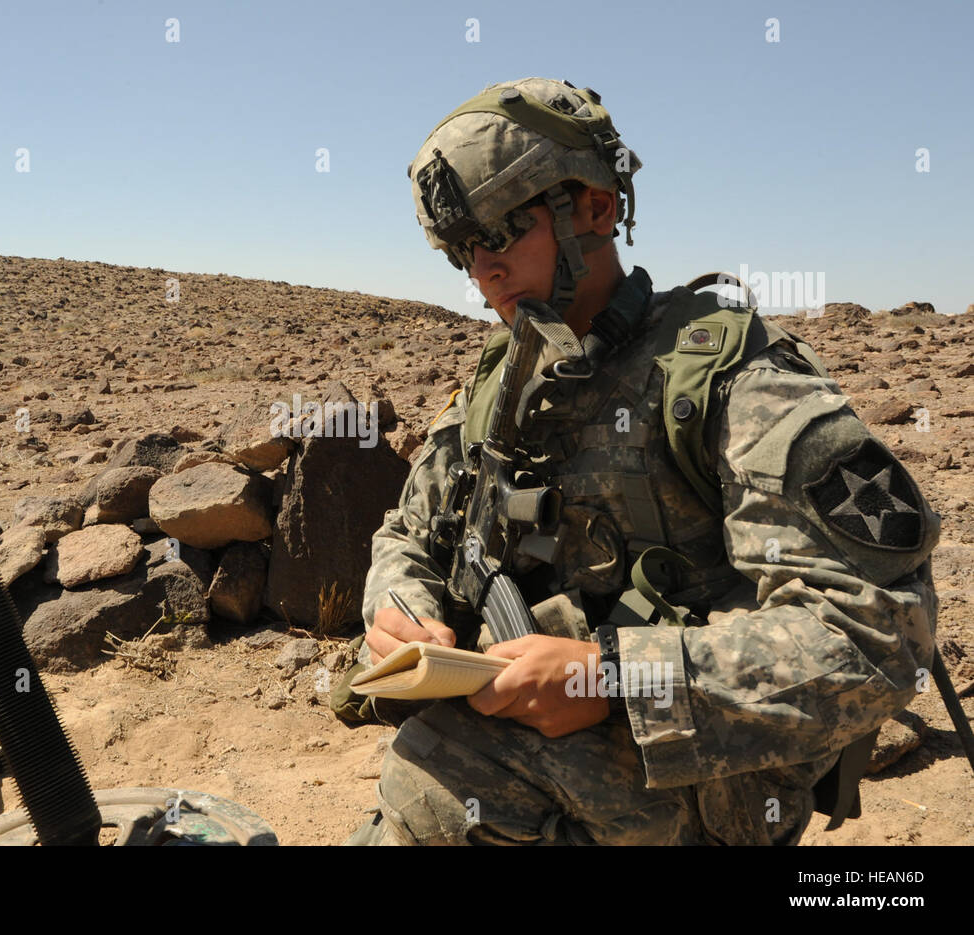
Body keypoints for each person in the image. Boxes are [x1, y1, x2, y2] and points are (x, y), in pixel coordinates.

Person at [344, 77, 941, 845]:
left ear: (595, 208)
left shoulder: (732, 379)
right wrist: (401, 607)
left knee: (438, 781)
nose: (481, 270)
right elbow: (405, 532)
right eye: (463, 247)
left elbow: (879, 633)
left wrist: (614, 678)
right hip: (539, 744)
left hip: (698, 778)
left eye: (502, 229)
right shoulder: (503, 381)